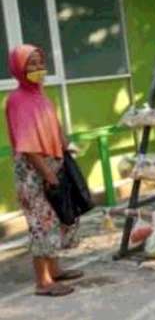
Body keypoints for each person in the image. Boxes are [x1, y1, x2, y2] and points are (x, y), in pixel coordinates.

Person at [5, 45, 81, 297]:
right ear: (18, 68)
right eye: (31, 64)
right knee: (41, 224)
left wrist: (66, 143)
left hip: (52, 164)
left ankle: (55, 270)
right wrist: (48, 175)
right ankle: (43, 282)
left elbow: (54, 125)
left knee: (57, 220)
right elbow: (27, 146)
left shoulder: (40, 94)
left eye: (39, 62)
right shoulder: (17, 100)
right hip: (33, 172)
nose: (38, 68)